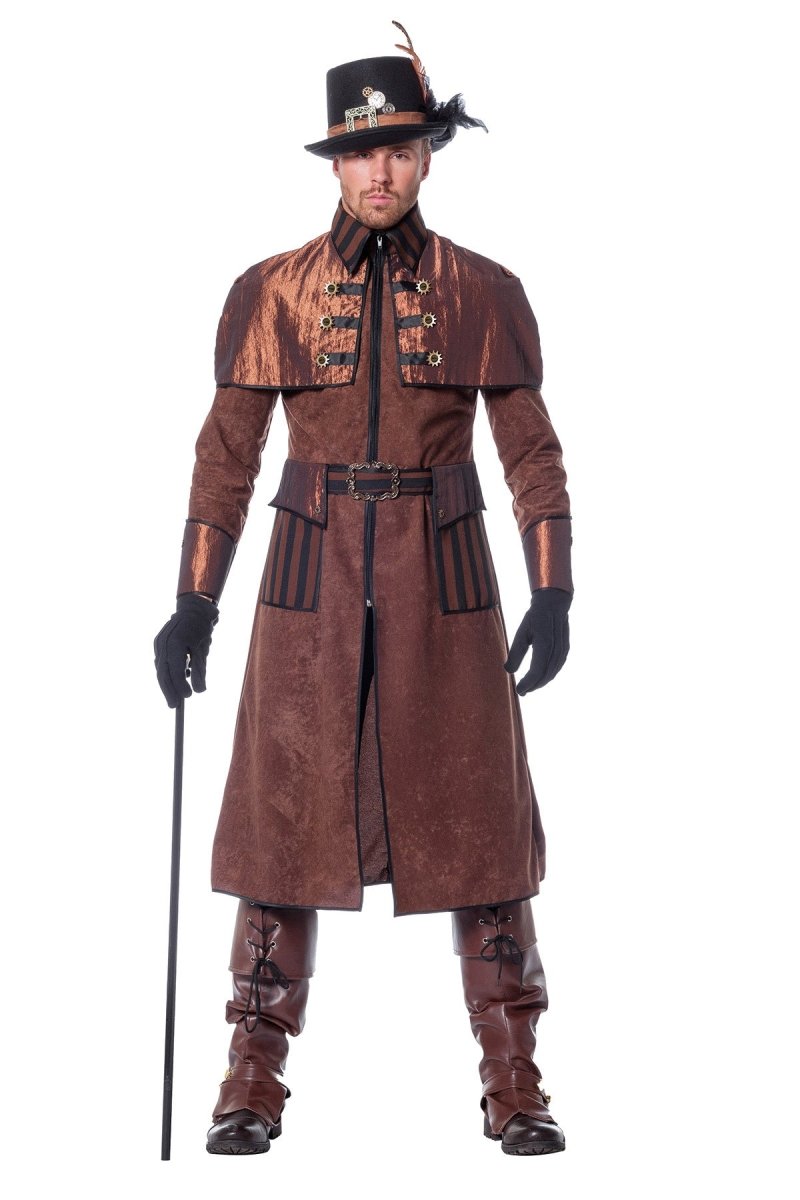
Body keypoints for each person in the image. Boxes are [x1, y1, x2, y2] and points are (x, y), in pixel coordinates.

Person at [154, 21, 573, 1158]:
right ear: (335, 163)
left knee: (482, 828)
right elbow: (225, 456)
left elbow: (529, 452)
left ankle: (516, 1082)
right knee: (280, 829)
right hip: (308, 579)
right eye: (359, 152)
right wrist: (194, 599)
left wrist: (553, 584)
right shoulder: (270, 292)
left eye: (397, 149)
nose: (378, 171)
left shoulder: (485, 290)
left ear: (427, 155)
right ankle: (250, 1081)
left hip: (446, 579)